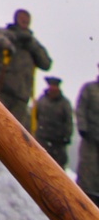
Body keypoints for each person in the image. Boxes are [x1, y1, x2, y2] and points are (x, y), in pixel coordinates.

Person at [0, 9, 52, 129]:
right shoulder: (4, 34)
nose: (25, 21)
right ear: (15, 19)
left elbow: (46, 64)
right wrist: (13, 38)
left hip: (21, 96)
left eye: (27, 20)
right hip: (1, 90)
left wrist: (31, 46)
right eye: (22, 18)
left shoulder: (32, 42)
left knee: (14, 133)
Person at [34, 76, 74, 168]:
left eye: (54, 86)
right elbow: (35, 116)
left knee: (57, 167)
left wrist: (67, 136)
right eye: (51, 85)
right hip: (42, 139)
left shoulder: (65, 103)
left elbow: (68, 121)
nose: (52, 88)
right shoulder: (41, 100)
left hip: (58, 142)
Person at [75, 65, 99, 203]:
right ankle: (83, 199)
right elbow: (81, 108)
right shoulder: (89, 89)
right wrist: (83, 127)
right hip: (90, 138)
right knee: (87, 169)